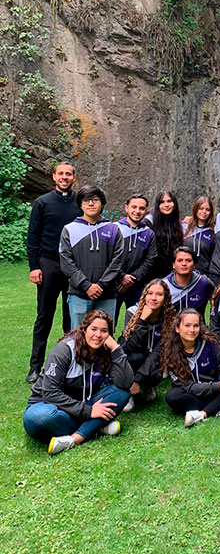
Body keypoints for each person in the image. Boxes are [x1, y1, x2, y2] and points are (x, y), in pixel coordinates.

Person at [23, 310, 133, 455]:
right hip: (50, 406)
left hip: (82, 404)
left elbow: (125, 383)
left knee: (122, 392)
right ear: (84, 329)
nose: (98, 335)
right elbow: (50, 393)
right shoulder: (64, 350)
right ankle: (96, 427)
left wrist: (116, 349)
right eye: (93, 329)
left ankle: (75, 439)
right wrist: (89, 411)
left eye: (104, 331)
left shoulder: (105, 351)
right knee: (38, 417)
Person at [26, 161, 79, 383]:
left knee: (71, 317)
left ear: (74, 177)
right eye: (61, 174)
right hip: (48, 263)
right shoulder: (42, 202)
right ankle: (35, 366)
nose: (64, 177)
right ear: (54, 177)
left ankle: (69, 363)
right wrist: (34, 267)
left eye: (68, 174)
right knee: (44, 316)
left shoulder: (80, 202)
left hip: (74, 265)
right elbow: (32, 237)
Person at [161, 309, 220, 427]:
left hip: (213, 391)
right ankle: (219, 407)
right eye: (187, 325)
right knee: (171, 396)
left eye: (196, 326)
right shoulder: (170, 351)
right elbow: (187, 386)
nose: (192, 330)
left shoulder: (210, 343)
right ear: (177, 328)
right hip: (191, 393)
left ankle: (200, 413)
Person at [59, 185, 124, 328]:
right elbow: (66, 262)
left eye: (95, 199)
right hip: (79, 294)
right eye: (86, 200)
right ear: (80, 204)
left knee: (105, 338)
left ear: (102, 203)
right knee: (78, 336)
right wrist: (86, 285)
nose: (90, 203)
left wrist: (101, 285)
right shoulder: (69, 229)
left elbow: (117, 261)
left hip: (107, 295)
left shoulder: (113, 229)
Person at [119, 278, 178, 412]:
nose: (153, 298)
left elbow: (159, 353)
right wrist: (141, 321)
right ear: (144, 295)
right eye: (150, 293)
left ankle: (147, 385)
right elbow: (130, 346)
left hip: (154, 360)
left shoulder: (170, 318)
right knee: (134, 357)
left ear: (165, 298)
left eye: (159, 294)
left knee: (159, 368)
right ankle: (128, 392)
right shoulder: (132, 312)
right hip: (134, 356)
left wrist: (138, 380)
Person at [115, 193, 157, 325]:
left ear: (146, 211)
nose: (137, 211)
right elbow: (107, 257)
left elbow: (150, 260)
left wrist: (132, 278)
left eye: (141, 208)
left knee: (136, 324)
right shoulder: (114, 228)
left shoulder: (149, 233)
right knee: (108, 323)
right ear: (126, 208)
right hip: (114, 284)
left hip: (137, 286)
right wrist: (121, 276)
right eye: (134, 207)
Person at [164, 247, 215, 316]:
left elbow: (216, 298)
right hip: (172, 325)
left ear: (194, 265)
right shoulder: (164, 284)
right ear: (173, 264)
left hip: (197, 325)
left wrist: (213, 319)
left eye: (188, 260)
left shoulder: (203, 282)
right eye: (180, 260)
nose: (184, 264)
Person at [147, 190, 184, 278]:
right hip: (151, 272)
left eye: (169, 201)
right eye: (162, 202)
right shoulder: (149, 221)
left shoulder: (177, 222)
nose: (166, 205)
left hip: (171, 272)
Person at [183, 195, 215, 276]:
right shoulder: (184, 227)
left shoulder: (213, 231)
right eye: (201, 208)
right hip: (184, 273)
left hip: (203, 275)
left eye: (207, 210)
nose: (204, 212)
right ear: (195, 209)